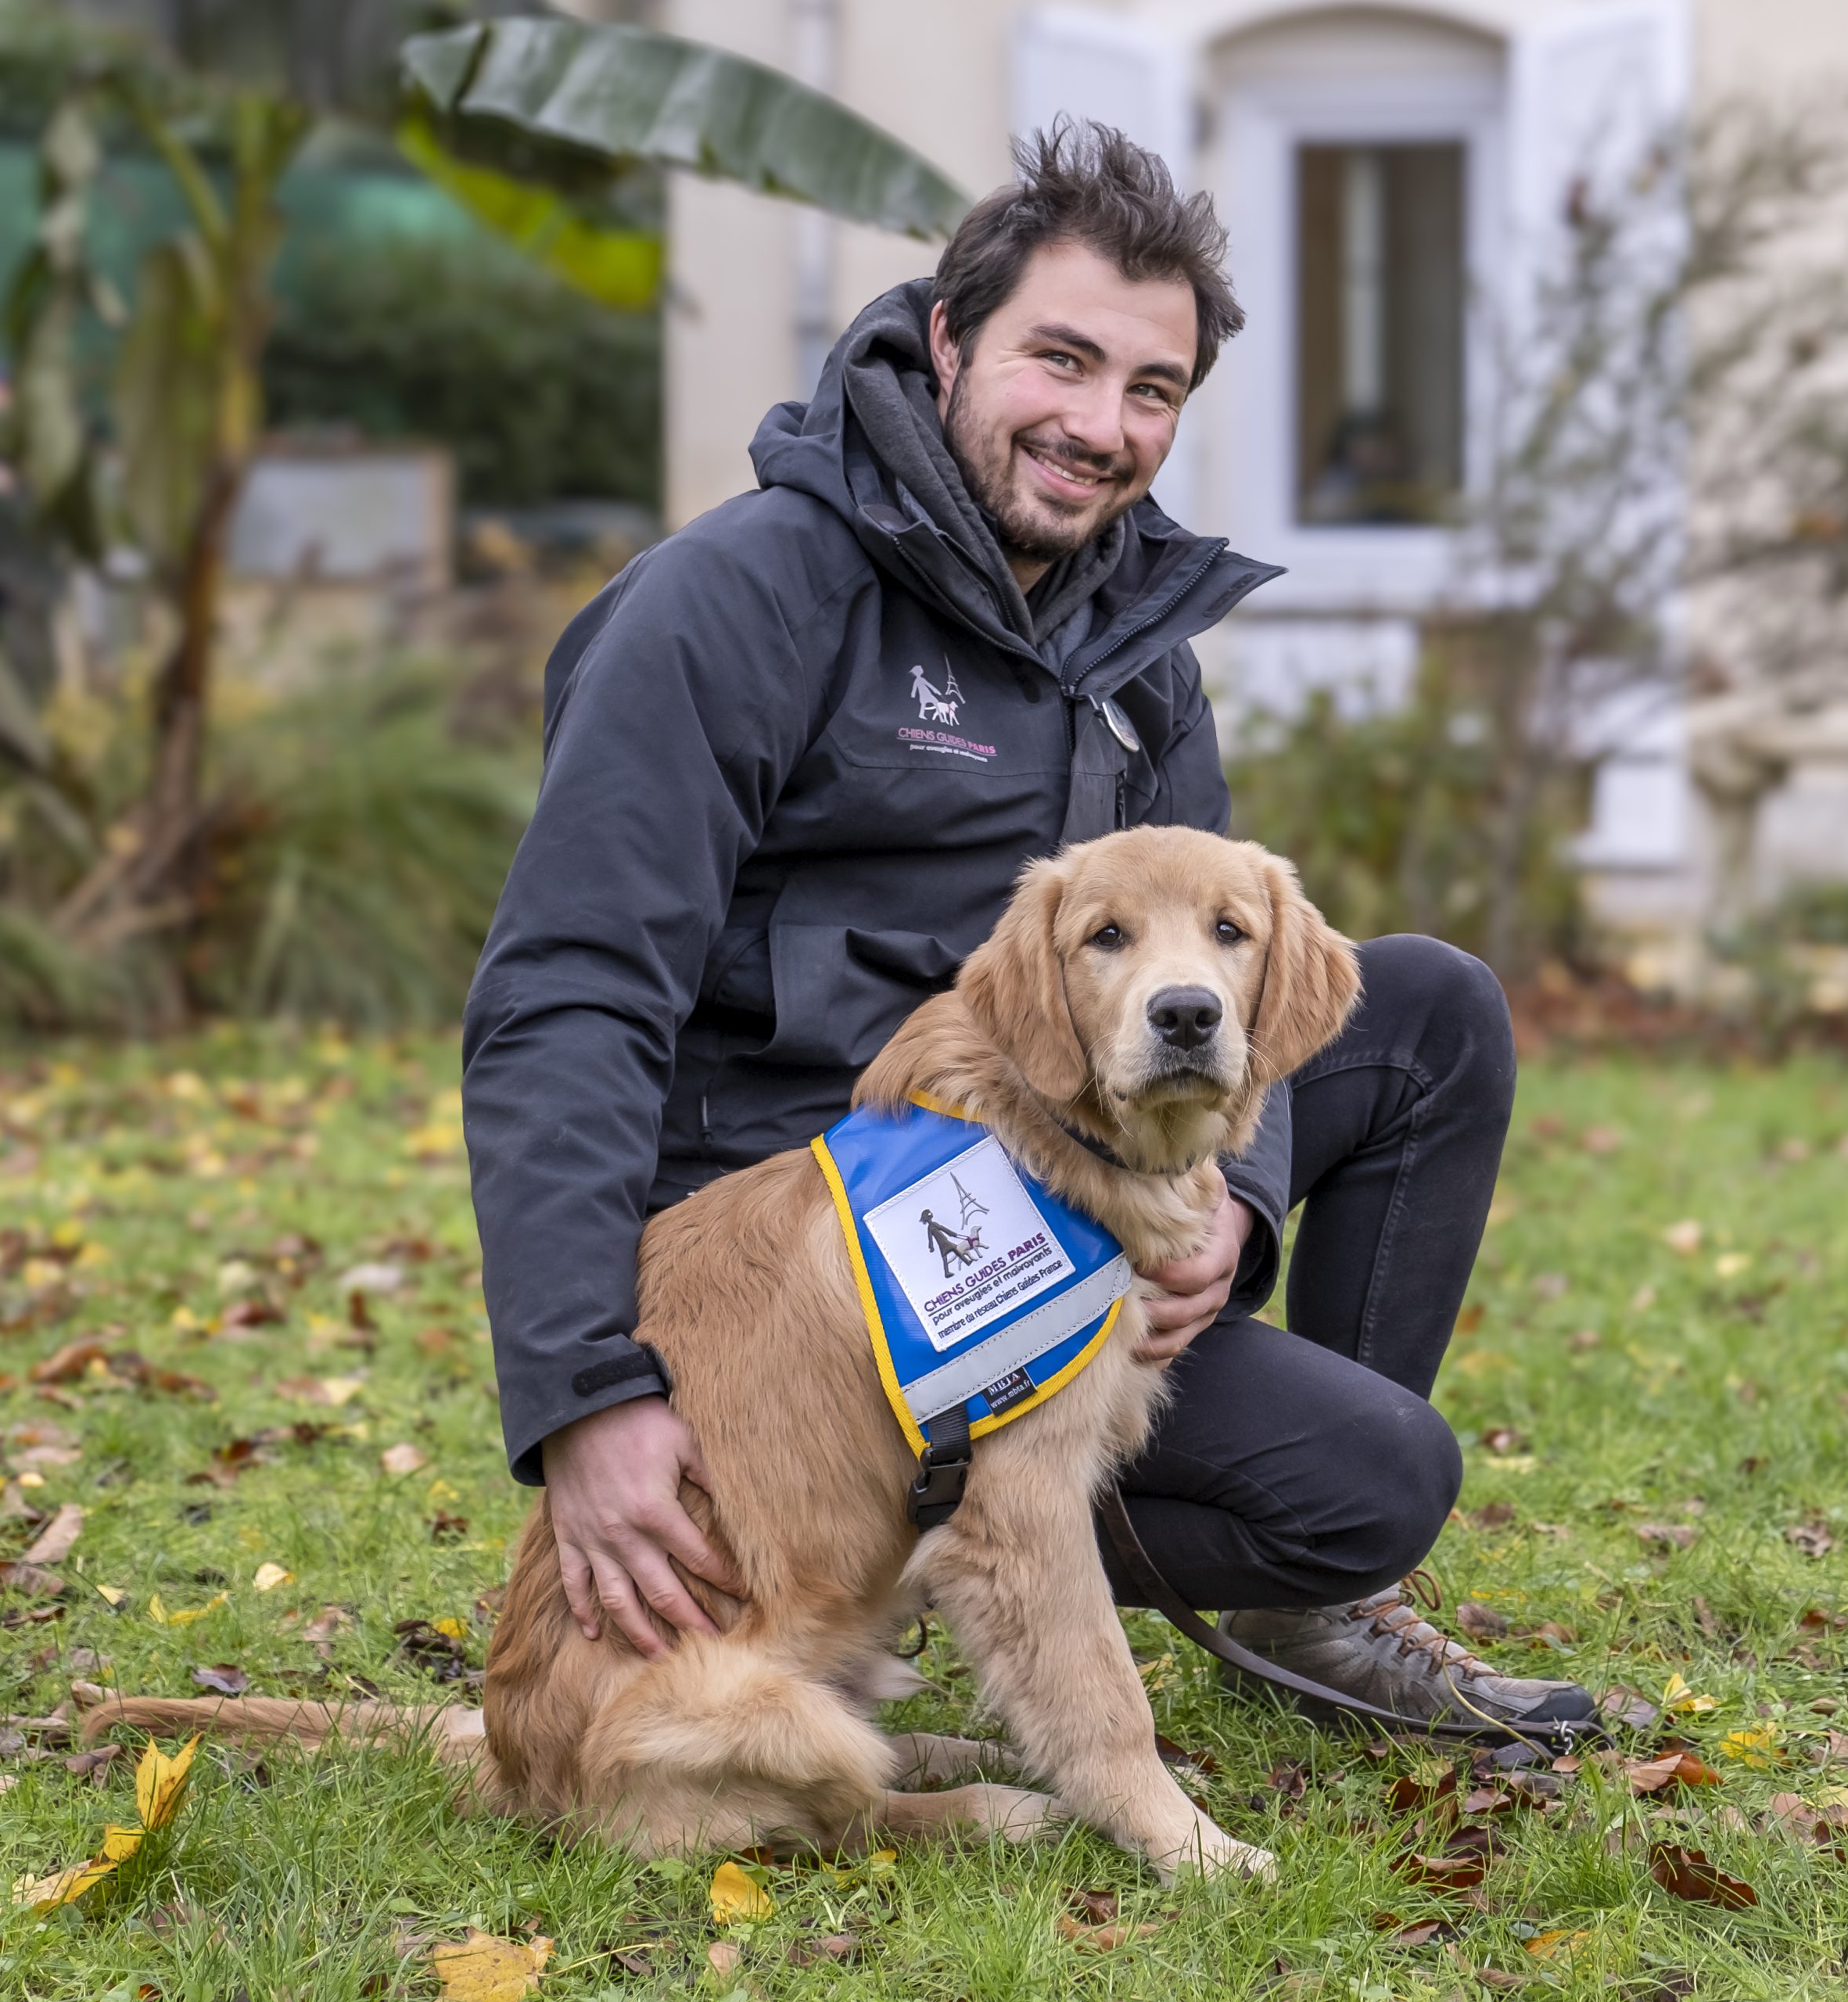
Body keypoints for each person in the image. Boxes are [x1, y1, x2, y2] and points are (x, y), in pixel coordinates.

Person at [461, 120, 1595, 1734]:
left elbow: (1221, 975)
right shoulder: (733, 599)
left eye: (1150, 391)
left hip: (1068, 1169)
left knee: (1428, 1011)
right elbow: (567, 995)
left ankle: (1303, 1602)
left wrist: (1232, 1211)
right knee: (1371, 1475)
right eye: (1058, 360)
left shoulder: (1136, 637)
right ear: (945, 338)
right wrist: (587, 1390)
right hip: (821, 1248)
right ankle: (976, 1517)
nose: (1099, 426)